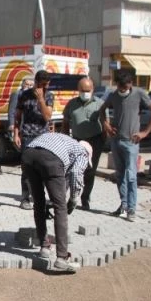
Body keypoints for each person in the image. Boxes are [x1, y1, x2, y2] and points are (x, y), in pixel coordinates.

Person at [21, 132, 92, 274]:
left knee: (39, 203)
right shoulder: (82, 152)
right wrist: (73, 199)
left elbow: (62, 177)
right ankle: (62, 257)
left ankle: (44, 247)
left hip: (28, 155)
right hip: (50, 159)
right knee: (61, 208)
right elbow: (76, 173)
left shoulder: (65, 142)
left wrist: (56, 197)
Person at [99, 71, 151, 221]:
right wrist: (106, 125)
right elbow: (101, 110)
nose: (122, 90)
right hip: (116, 141)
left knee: (131, 176)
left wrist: (145, 132)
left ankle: (131, 208)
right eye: (120, 88)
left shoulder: (139, 94)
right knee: (120, 175)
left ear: (130, 84)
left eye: (125, 88)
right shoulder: (114, 95)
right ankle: (124, 205)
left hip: (131, 142)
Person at [61, 77, 104, 210]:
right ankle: (69, 196)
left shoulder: (100, 104)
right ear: (78, 90)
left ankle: (85, 198)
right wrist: (65, 139)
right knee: (73, 170)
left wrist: (103, 142)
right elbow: (65, 122)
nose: (85, 93)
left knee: (90, 171)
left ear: (93, 89)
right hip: (77, 140)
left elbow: (105, 124)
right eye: (83, 90)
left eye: (88, 90)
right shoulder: (72, 104)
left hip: (94, 140)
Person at [13, 69, 53, 210]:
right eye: (42, 84)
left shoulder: (49, 96)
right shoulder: (24, 95)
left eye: (47, 84)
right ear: (36, 82)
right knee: (26, 169)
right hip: (28, 136)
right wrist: (16, 134)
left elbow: (47, 116)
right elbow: (17, 116)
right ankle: (25, 199)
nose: (45, 87)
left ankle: (40, 197)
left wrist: (41, 99)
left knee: (44, 168)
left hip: (43, 137)